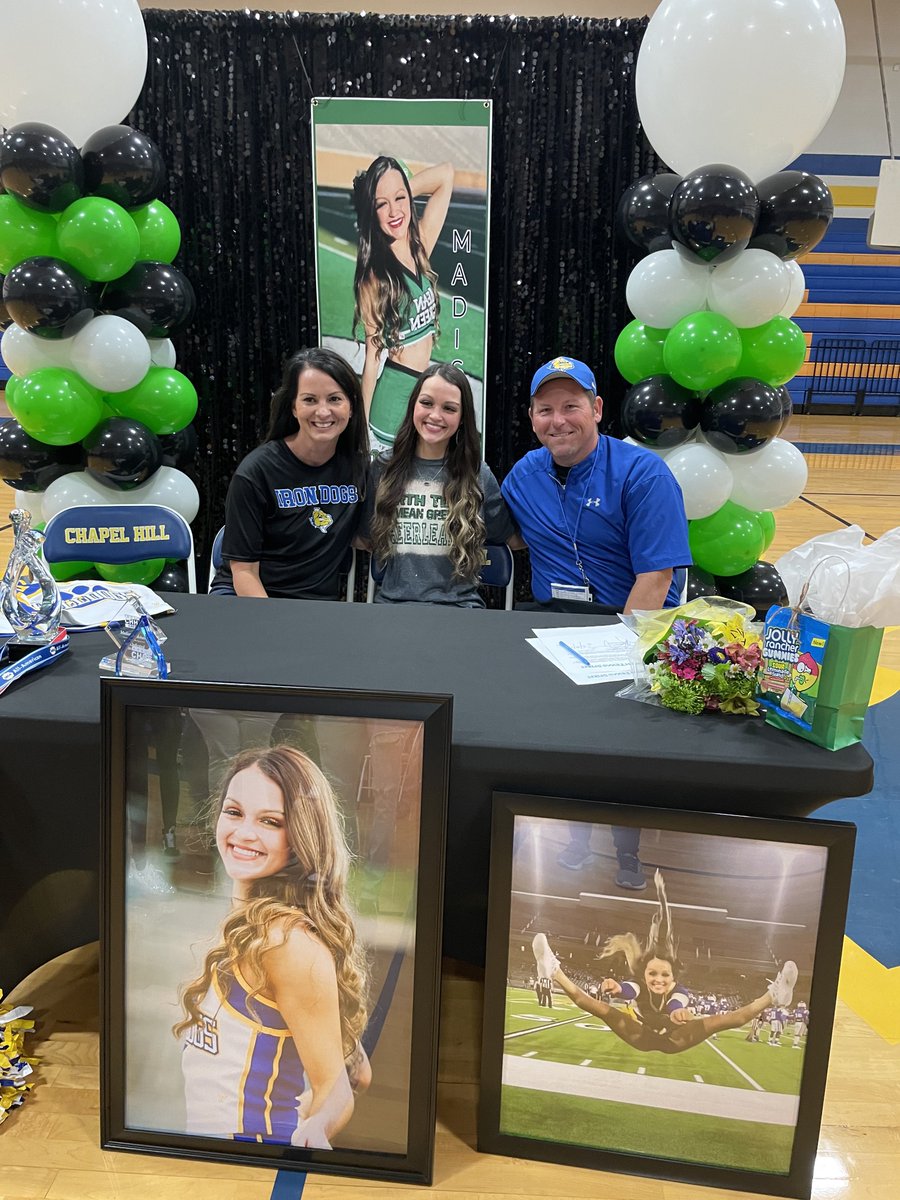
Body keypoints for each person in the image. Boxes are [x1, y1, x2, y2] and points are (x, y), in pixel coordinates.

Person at [174, 745, 370, 1147]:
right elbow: (358, 1069)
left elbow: (341, 1087)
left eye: (270, 821)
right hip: (216, 1166)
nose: (244, 832)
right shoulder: (248, 927)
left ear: (299, 837)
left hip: (254, 1167)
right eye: (234, 812)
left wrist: (317, 1126)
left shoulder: (284, 942)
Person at [531, 870, 798, 1055]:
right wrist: (615, 987)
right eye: (652, 974)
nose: (658, 980)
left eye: (664, 976)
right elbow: (629, 990)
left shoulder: (679, 993)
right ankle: (553, 970)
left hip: (674, 1038)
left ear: (673, 978)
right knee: (598, 1008)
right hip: (641, 1035)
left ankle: (774, 996)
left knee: (728, 1019)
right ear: (644, 975)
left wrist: (677, 1014)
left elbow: (675, 1006)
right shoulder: (639, 985)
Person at [501, 355, 691, 613]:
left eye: (570, 407)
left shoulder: (643, 475)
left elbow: (655, 578)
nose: (558, 421)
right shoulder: (524, 477)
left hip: (627, 620)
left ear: (596, 409)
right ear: (532, 418)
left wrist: (621, 645)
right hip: (549, 620)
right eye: (546, 410)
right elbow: (512, 537)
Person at [210, 347, 369, 599]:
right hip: (248, 597)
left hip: (313, 606)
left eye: (334, 399)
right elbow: (244, 571)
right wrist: (272, 628)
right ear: (294, 407)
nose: (323, 411)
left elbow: (366, 538)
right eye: (310, 400)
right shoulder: (256, 472)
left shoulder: (360, 469)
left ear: (351, 407)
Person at [363, 363, 517, 606]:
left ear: (462, 418)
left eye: (449, 408)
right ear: (413, 405)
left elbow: (505, 536)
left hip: (459, 609)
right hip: (393, 607)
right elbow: (365, 536)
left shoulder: (477, 473)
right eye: (426, 403)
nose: (435, 415)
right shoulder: (384, 468)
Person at [351, 155, 454, 444]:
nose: (394, 211)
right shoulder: (374, 277)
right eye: (381, 204)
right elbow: (372, 359)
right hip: (393, 400)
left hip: (423, 393)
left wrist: (397, 189)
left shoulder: (420, 247)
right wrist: (361, 431)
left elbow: (445, 174)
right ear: (372, 212)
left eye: (400, 198)